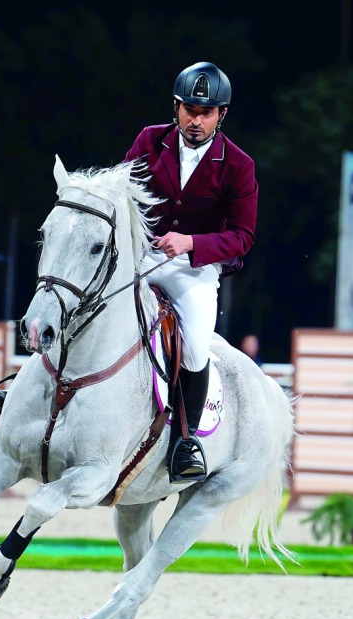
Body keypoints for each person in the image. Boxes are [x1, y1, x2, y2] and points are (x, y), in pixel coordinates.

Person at [124, 61, 259, 483]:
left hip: (192, 270)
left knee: (197, 345)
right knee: (84, 297)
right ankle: (31, 388)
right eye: (189, 110)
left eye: (206, 113)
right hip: (142, 256)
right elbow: (122, 192)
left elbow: (243, 236)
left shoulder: (237, 164)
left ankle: (186, 441)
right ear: (177, 107)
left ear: (221, 115)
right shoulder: (150, 140)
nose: (195, 120)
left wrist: (192, 244)